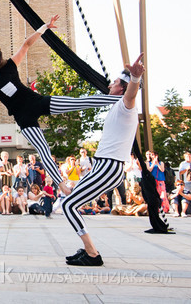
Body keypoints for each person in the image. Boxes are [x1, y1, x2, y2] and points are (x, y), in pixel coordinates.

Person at [0, 15, 121, 196]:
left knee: (70, 113)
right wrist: (44, 27)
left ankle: (116, 98)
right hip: (29, 111)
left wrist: (45, 27)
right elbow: (26, 44)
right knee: (46, 148)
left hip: (32, 107)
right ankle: (62, 186)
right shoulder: (0, 71)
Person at [61, 54, 146, 266]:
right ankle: (89, 250)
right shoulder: (117, 107)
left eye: (115, 82)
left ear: (123, 88)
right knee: (71, 201)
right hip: (103, 166)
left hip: (108, 167)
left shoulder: (126, 106)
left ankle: (92, 253)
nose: (110, 84)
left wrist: (134, 79)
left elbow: (131, 95)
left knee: (69, 205)